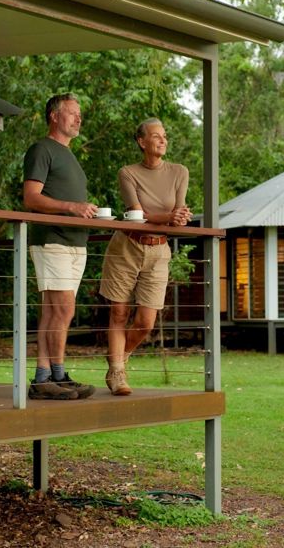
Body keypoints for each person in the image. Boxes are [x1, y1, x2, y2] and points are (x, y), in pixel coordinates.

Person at [99, 118, 192, 396]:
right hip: (126, 246)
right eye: (156, 136)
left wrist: (180, 217)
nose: (163, 140)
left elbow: (178, 214)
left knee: (146, 322)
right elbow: (136, 215)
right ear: (142, 142)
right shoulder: (127, 173)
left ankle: (118, 358)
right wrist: (170, 217)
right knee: (118, 312)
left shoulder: (179, 172)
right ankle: (117, 373)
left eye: (165, 136)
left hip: (159, 250)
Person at [23, 93, 97, 400]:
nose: (78, 118)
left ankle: (51, 376)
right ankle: (50, 377)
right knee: (62, 308)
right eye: (72, 113)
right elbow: (31, 198)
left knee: (57, 311)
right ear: (54, 116)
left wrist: (85, 212)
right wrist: (71, 207)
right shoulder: (42, 149)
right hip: (51, 239)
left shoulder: (69, 154)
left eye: (79, 114)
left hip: (74, 243)